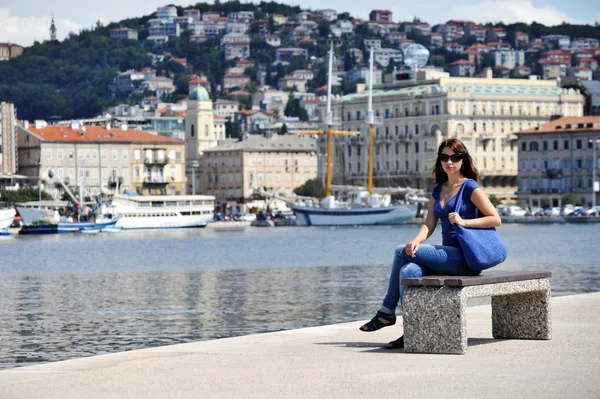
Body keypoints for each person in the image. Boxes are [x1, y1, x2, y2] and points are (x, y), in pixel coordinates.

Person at [359, 138, 502, 349]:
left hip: (466, 258)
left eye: (454, 157)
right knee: (408, 270)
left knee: (400, 252)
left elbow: (495, 218)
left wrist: (464, 221)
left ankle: (387, 312)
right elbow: (429, 224)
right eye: (444, 157)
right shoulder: (438, 189)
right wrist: (415, 241)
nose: (449, 162)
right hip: (448, 257)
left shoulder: (470, 187)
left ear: (463, 160)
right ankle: (410, 332)